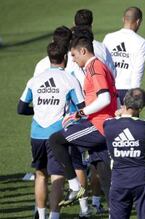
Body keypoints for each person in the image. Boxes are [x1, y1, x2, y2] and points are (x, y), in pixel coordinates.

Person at [18, 42, 85, 219]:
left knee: (40, 175)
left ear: (49, 58)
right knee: (57, 176)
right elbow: (82, 108)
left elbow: (21, 108)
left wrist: (38, 109)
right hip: (57, 135)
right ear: (64, 58)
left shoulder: (35, 80)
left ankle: (40, 215)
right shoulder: (70, 79)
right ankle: (54, 217)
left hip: (36, 134)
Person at [48, 35, 117, 207]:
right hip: (104, 123)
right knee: (103, 170)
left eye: (74, 55)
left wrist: (79, 113)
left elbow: (105, 99)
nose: (72, 59)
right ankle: (116, 212)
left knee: (55, 140)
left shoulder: (94, 67)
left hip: (99, 125)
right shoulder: (97, 66)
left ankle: (74, 186)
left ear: (83, 51)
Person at [104, 88, 145, 219]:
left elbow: (111, 121)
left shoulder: (108, 125)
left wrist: (118, 114)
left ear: (124, 102)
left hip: (119, 180)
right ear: (141, 108)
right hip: (142, 178)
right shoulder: (144, 126)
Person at [103, 7, 145, 104]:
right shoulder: (141, 42)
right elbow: (138, 71)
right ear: (138, 21)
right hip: (127, 91)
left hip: (108, 89)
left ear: (123, 19)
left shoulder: (108, 37)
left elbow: (103, 64)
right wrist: (135, 96)